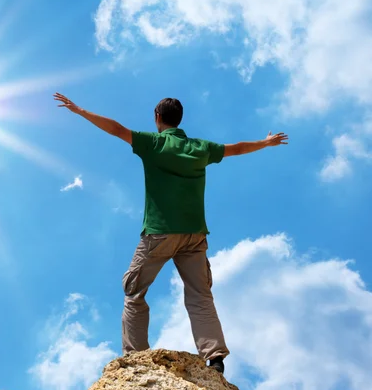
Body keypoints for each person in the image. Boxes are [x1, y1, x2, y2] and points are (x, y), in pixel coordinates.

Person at [53, 92, 288, 374]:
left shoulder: (153, 144)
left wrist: (81, 111)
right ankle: (214, 358)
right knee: (200, 294)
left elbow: (117, 129)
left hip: (159, 233)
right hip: (194, 236)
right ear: (179, 120)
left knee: (134, 292)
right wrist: (265, 142)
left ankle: (135, 358)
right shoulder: (200, 147)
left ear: (157, 118)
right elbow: (236, 149)